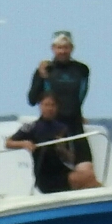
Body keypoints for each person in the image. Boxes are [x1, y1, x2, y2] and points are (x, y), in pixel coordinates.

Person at [6, 94, 100, 193]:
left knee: (89, 175)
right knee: (85, 178)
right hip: (46, 177)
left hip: (61, 171)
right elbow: (8, 142)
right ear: (40, 106)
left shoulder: (62, 128)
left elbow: (70, 159)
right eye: (46, 105)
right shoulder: (32, 127)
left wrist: (62, 149)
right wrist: (24, 144)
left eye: (52, 105)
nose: (50, 108)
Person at [27, 31, 91, 162]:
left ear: (72, 48)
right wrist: (41, 77)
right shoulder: (45, 69)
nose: (62, 51)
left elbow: (80, 96)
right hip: (52, 126)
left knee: (86, 166)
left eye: (66, 47)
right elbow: (32, 100)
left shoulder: (82, 70)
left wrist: (79, 113)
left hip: (75, 124)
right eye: (59, 47)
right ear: (53, 49)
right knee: (58, 167)